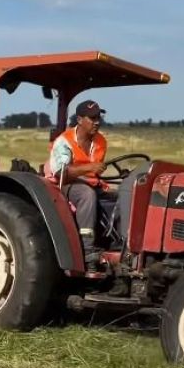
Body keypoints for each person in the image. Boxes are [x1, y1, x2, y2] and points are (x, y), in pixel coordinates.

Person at [48, 100, 107, 271]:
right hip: (66, 184)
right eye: (92, 118)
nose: (97, 122)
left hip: (91, 183)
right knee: (86, 194)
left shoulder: (101, 141)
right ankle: (87, 249)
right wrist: (89, 168)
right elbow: (61, 174)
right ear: (80, 119)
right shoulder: (64, 141)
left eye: (99, 117)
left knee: (117, 198)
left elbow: (96, 172)